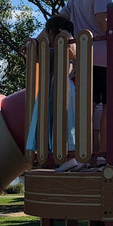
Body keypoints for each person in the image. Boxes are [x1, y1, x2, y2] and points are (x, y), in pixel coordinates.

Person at [60, 0, 113, 162]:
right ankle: (106, 153)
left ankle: (88, 154)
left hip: (84, 58)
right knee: (108, 106)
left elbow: (61, 19)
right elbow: (102, 19)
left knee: (88, 107)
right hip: (104, 58)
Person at [26, 14, 78, 171]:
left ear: (52, 31)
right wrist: (31, 42)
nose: (46, 36)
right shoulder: (47, 48)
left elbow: (73, 54)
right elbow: (34, 57)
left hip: (61, 89)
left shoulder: (68, 45)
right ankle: (59, 159)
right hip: (51, 90)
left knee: (65, 123)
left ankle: (68, 159)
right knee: (52, 124)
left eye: (47, 32)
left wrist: (67, 38)